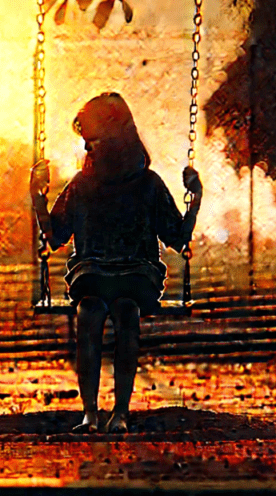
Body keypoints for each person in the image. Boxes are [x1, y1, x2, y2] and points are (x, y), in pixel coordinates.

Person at [29, 92, 202, 433]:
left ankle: (120, 412)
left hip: (138, 274)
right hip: (91, 273)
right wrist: (38, 197)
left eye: (92, 140)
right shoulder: (81, 186)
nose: (87, 148)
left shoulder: (148, 185)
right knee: (89, 312)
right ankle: (90, 414)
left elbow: (177, 236)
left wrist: (195, 198)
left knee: (126, 310)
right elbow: (55, 236)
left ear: (115, 139)